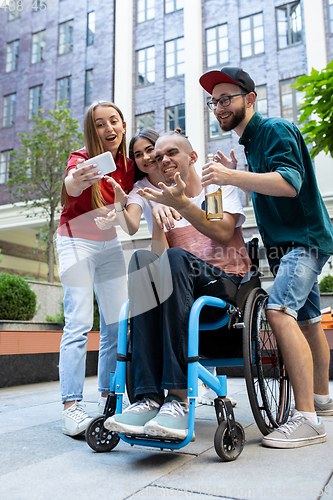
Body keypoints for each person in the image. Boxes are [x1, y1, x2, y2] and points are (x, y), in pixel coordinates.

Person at [199, 66, 333, 449]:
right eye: (214, 101)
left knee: (277, 312)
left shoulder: (274, 129)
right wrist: (238, 172)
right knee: (308, 321)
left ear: (250, 99)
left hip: (302, 241)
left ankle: (306, 418)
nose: (219, 106)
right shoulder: (251, 145)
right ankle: (322, 400)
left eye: (227, 98)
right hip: (291, 244)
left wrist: (229, 177)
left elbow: (290, 183)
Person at [104, 131, 251, 440]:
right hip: (181, 289)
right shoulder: (161, 200)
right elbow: (158, 265)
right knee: (142, 262)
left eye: (172, 153)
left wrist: (181, 204)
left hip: (223, 282)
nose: (163, 160)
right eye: (159, 157)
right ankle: (148, 397)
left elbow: (223, 233)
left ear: (192, 157)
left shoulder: (214, 187)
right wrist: (159, 219)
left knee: (175, 258)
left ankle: (178, 397)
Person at [57, 100, 134, 437]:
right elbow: (71, 185)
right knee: (78, 322)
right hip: (75, 240)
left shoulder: (129, 167)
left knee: (117, 323)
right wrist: (78, 178)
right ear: (93, 130)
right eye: (100, 124)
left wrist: (115, 215)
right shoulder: (81, 158)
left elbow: (129, 205)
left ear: (123, 125)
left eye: (113, 121)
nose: (109, 129)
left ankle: (110, 399)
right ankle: (71, 407)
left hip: (108, 244)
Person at [95, 129, 180, 236]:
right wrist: (119, 207)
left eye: (149, 150)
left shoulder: (180, 175)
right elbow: (131, 228)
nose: (145, 157)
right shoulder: (139, 190)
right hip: (167, 249)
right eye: (138, 155)